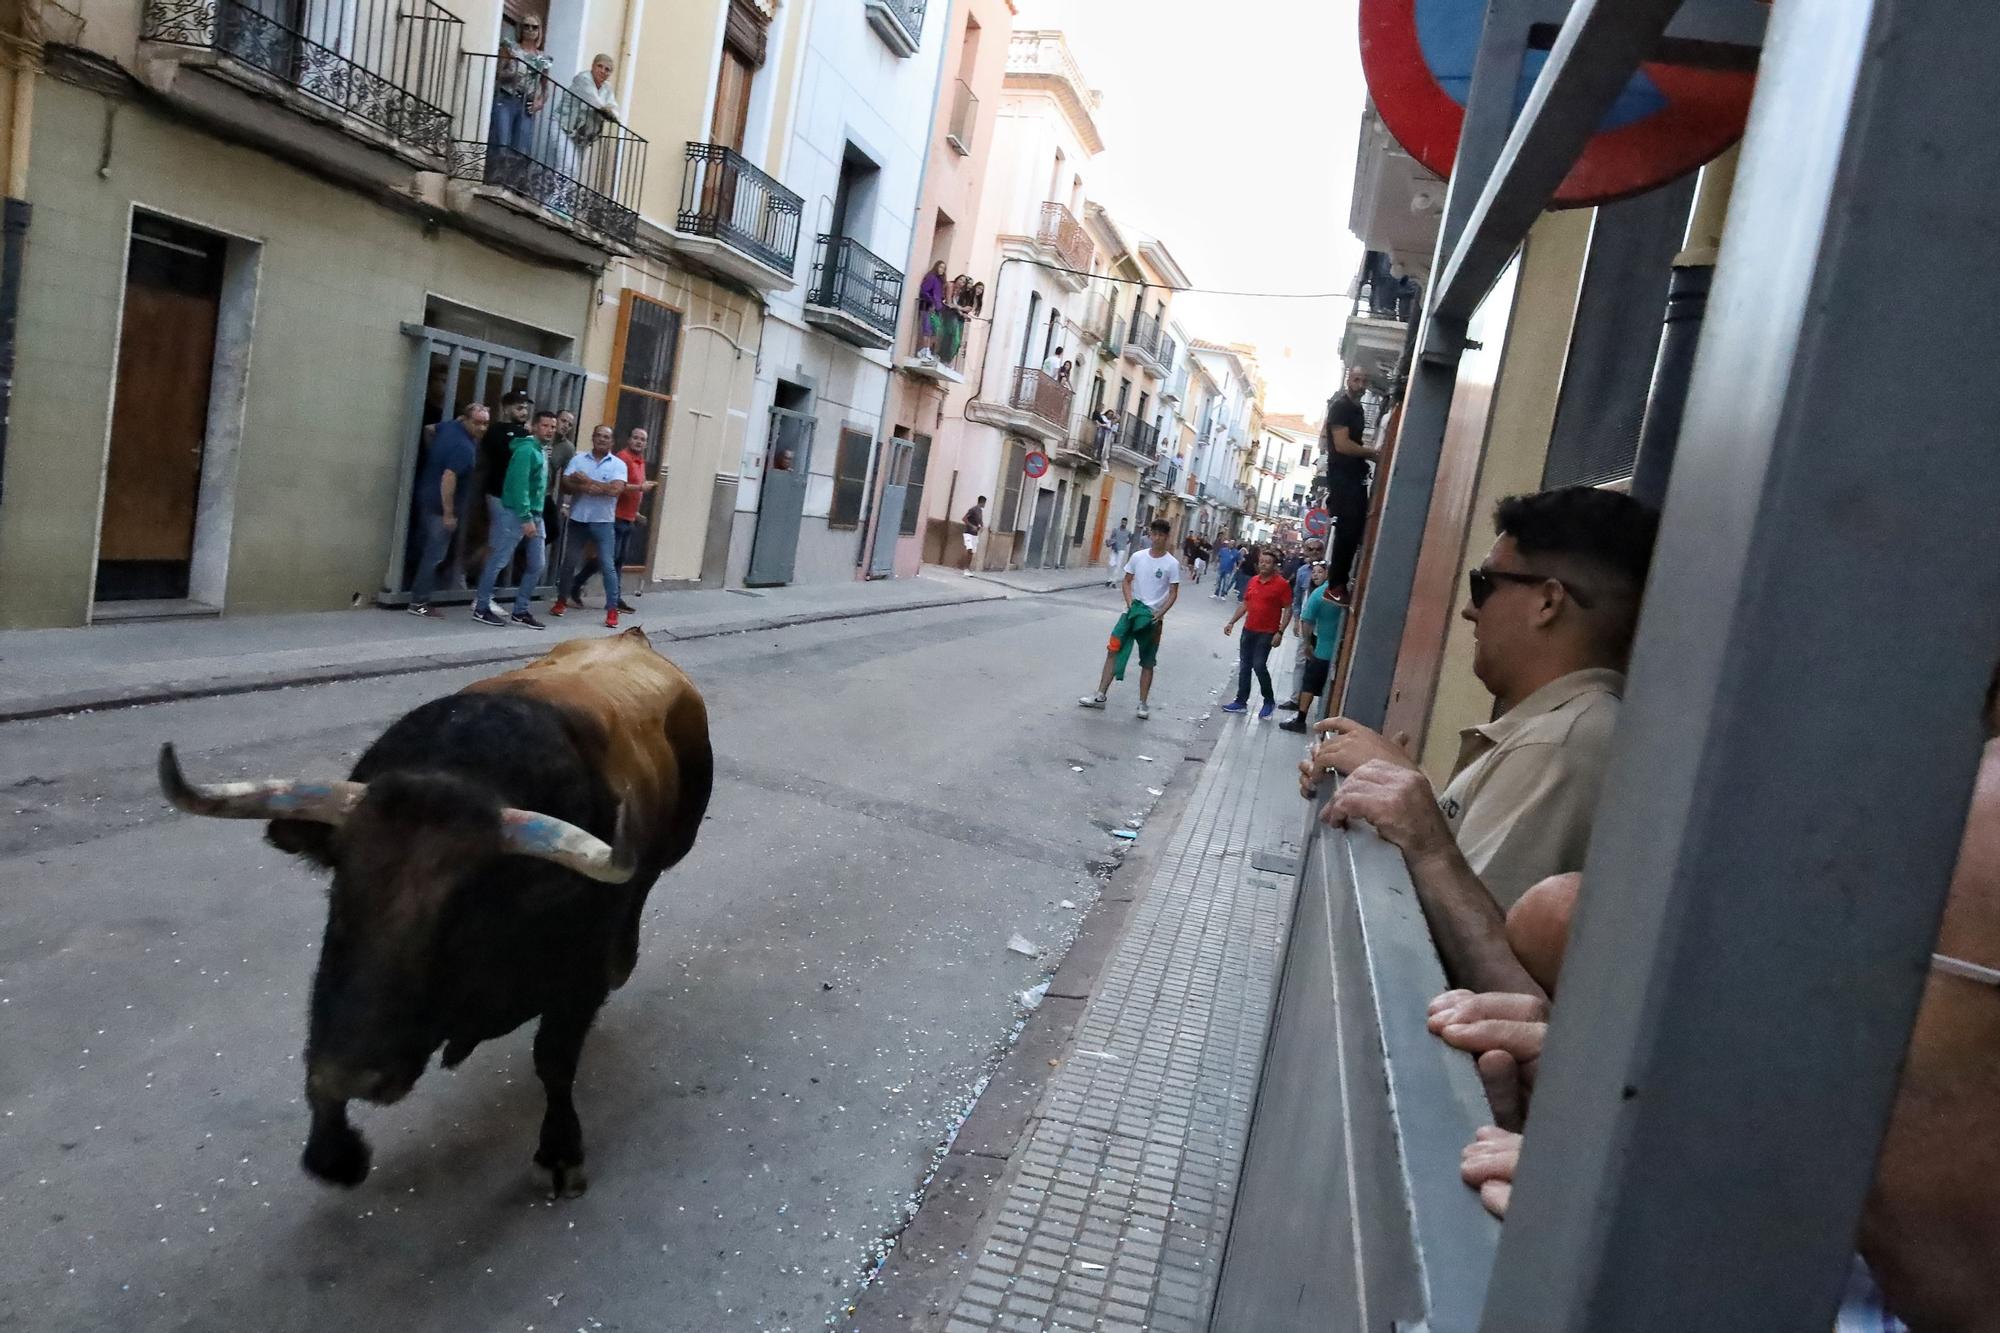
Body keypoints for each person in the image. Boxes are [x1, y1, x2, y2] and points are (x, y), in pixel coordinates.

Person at [1302, 487, 1660, 990]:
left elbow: (1482, 968)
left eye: (1484, 584)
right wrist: (1400, 790)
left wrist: (1420, 826)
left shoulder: (1559, 745)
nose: (1471, 611)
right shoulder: (1557, 728)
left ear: (1548, 602)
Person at [1079, 518, 1181, 720]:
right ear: (1150, 535)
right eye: (1155, 534)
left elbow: (1173, 593)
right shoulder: (1137, 557)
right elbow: (1126, 581)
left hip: (1152, 618)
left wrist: (1159, 614)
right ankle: (1100, 695)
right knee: (1113, 649)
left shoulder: (1172, 564)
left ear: (1167, 537)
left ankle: (1143, 704)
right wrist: (1129, 602)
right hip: (1131, 613)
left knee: (1148, 661)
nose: (1158, 538)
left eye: (1162, 535)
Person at [472, 409, 555, 629]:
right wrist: (526, 517)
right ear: (535, 426)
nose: (549, 430)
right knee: (499, 558)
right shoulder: (527, 451)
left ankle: (520, 610)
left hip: (535, 514)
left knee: (537, 563)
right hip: (517, 513)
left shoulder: (540, 450)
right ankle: (481, 606)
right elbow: (519, 487)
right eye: (545, 425)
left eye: (552, 427)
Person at [409, 403, 488, 617]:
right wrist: (448, 513)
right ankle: (419, 602)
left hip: (425, 496)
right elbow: (449, 478)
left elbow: (429, 429)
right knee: (434, 556)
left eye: (485, 423)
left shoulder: (450, 427)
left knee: (422, 548)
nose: (482, 428)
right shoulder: (465, 448)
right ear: (466, 419)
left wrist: (432, 453)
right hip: (438, 507)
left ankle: (414, 591)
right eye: (478, 423)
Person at [548, 424, 631, 628]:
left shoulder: (618, 465)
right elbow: (566, 484)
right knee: (569, 562)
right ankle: (561, 601)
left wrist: (586, 480)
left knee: (607, 565)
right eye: (598, 436)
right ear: (593, 438)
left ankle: (612, 610)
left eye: (606, 437)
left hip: (603, 521)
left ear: (612, 442)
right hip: (579, 519)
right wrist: (589, 487)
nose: (602, 439)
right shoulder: (578, 459)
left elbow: (615, 490)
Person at [1323, 365, 1379, 598]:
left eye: (1364, 380)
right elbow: (1342, 445)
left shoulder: (1356, 410)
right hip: (1342, 476)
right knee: (1348, 528)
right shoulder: (1341, 407)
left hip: (1353, 475)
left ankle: (1340, 582)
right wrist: (1373, 453)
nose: (1360, 385)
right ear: (1348, 380)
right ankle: (1336, 585)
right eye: (1356, 379)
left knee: (1354, 528)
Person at [1220, 546, 1291, 719]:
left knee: (1259, 665)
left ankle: (1269, 701)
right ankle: (1241, 701)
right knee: (1244, 666)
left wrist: (1280, 632)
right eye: (1261, 562)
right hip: (1249, 630)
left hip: (1267, 633)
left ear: (1274, 566)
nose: (1264, 565)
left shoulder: (1282, 585)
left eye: (1268, 562)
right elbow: (1245, 604)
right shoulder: (1253, 581)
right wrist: (1231, 622)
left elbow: (1288, 609)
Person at [1280, 565, 1343, 733]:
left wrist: (1307, 644)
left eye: (1320, 572)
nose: (1315, 576)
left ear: (1328, 574)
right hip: (1341, 652)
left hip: (1322, 650)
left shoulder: (1319, 594)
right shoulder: (1345, 593)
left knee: (1308, 684)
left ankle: (1300, 720)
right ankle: (1329, 724)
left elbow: (1306, 621)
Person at [488, 18, 552, 183]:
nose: (530, 30)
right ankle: (495, 180)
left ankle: (511, 185)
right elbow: (498, 73)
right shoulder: (510, 48)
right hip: (506, 98)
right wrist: (511, 75)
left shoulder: (543, 59)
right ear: (520, 28)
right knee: (502, 142)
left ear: (540, 31)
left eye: (534, 27)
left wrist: (540, 103)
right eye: (526, 26)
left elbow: (545, 89)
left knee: (520, 149)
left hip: (526, 105)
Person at [560, 53, 619, 189]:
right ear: (593, 66)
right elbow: (593, 99)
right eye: (600, 66)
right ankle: (553, 202)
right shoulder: (583, 79)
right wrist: (607, 110)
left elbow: (614, 108)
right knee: (567, 165)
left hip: (582, 136)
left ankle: (558, 202)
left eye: (607, 69)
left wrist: (612, 112)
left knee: (573, 171)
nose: (603, 71)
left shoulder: (607, 89)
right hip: (563, 127)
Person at [917, 261, 948, 361]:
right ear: (936, 267)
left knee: (936, 329)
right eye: (940, 267)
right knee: (927, 329)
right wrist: (932, 302)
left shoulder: (940, 281)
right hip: (927, 307)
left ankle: (925, 350)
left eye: (944, 268)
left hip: (936, 309)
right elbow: (924, 291)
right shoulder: (931, 277)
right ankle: (926, 350)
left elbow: (939, 295)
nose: (942, 270)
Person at [960, 495, 985, 575]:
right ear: (982, 502)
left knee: (972, 551)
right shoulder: (973, 510)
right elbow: (964, 518)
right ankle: (965, 568)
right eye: (984, 503)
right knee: (969, 549)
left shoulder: (980, 511)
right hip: (968, 533)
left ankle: (968, 568)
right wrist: (972, 526)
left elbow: (980, 520)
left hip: (975, 534)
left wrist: (982, 526)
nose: (984, 505)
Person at [1103, 518, 1131, 586]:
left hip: (1121, 550)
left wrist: (1124, 544)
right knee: (1111, 564)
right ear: (1121, 522)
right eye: (1122, 522)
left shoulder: (1128, 532)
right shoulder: (1115, 530)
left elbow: (1130, 539)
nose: (1123, 524)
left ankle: (1114, 581)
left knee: (1118, 565)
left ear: (1126, 523)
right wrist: (1111, 543)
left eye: (1125, 523)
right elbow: (1111, 538)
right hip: (1114, 548)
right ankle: (1109, 578)